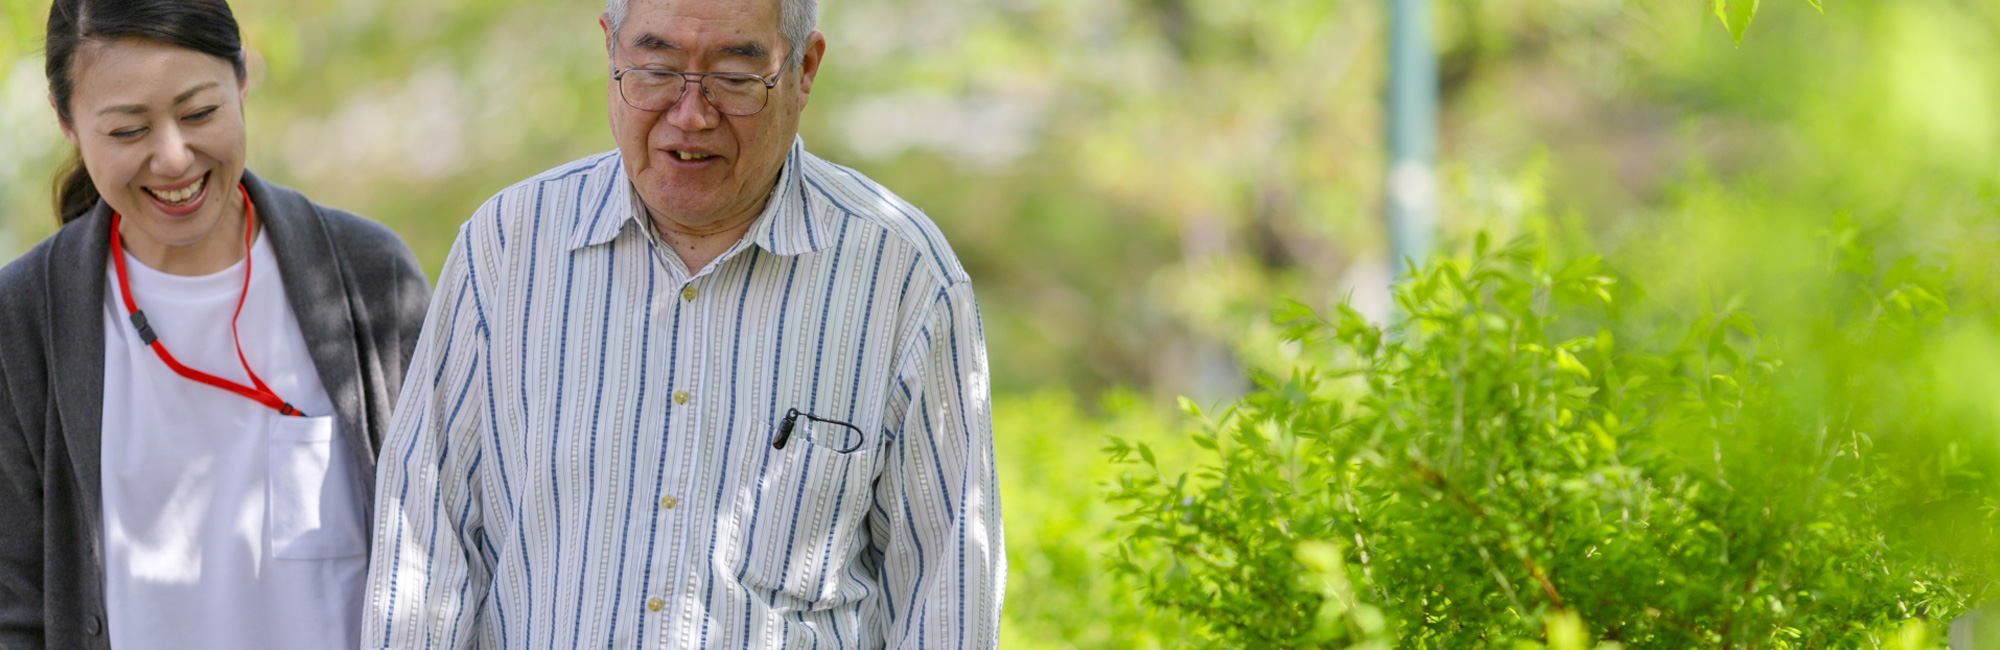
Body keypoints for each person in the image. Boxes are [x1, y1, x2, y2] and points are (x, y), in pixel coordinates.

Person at [361, 0, 1004, 646]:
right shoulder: (506, 247)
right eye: (657, 68)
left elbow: (944, 590)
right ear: (611, 50)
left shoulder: (902, 276)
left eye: (733, 77)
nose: (692, 114)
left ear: (804, 69)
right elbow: (426, 543)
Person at [0, 0, 431, 648]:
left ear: (242, 80)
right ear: (67, 123)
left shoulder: (369, 279)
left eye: (199, 113)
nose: (173, 158)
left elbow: (451, 545)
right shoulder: (25, 320)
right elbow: (17, 606)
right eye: (126, 131)